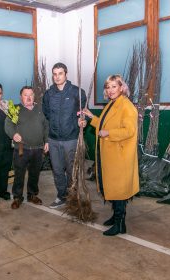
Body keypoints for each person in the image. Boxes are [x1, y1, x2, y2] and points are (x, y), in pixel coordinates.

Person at [82, 74, 139, 236]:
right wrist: (92, 117)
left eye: (114, 86)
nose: (111, 90)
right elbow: (104, 123)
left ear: (121, 87)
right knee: (113, 189)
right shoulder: (112, 104)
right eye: (108, 87)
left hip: (120, 157)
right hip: (111, 155)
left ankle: (120, 224)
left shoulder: (126, 106)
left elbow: (129, 130)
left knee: (119, 191)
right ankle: (116, 217)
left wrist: (109, 133)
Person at [43, 62, 86, 208]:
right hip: (54, 139)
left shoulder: (77, 92)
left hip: (71, 139)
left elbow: (82, 113)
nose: (57, 77)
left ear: (66, 74)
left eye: (60, 73)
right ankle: (61, 196)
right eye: (54, 74)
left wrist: (81, 121)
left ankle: (72, 195)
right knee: (57, 170)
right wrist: (48, 137)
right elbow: (47, 114)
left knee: (71, 169)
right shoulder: (49, 94)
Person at [5, 86, 49, 209]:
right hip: (21, 149)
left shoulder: (40, 109)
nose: (28, 97)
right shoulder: (16, 110)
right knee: (19, 174)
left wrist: (47, 140)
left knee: (34, 174)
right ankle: (18, 197)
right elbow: (8, 125)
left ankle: (32, 195)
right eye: (25, 95)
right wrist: (14, 134)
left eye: (31, 95)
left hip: (38, 149)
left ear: (34, 96)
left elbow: (46, 126)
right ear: (21, 97)